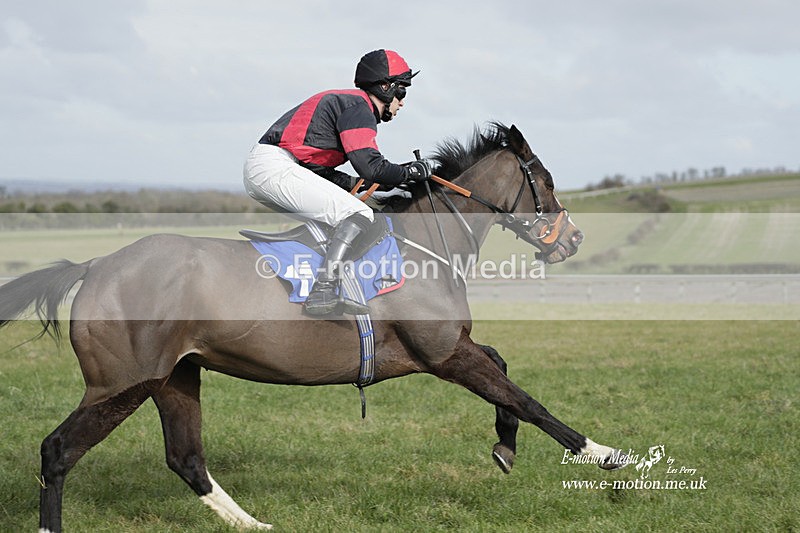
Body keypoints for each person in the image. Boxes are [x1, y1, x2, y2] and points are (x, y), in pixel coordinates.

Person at [244, 49, 433, 316]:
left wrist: (362, 183)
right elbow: (371, 165)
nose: (402, 102)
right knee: (359, 213)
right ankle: (324, 290)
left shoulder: (351, 105)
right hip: (274, 166)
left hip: (273, 167)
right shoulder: (359, 108)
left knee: (339, 217)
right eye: (401, 92)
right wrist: (408, 173)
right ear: (385, 87)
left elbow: (321, 172)